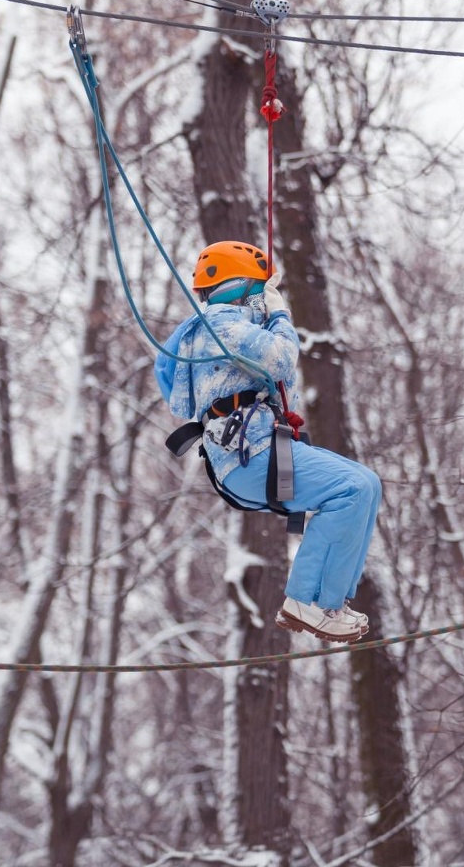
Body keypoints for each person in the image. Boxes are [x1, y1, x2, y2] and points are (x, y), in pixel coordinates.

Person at [154, 241, 382, 643]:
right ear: (240, 285)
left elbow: (281, 385)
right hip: (249, 455)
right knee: (352, 488)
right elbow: (280, 360)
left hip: (258, 451)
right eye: (261, 287)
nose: (266, 295)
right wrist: (279, 314)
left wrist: (268, 319)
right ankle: (307, 601)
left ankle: (331, 603)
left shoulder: (234, 330)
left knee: (366, 485)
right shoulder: (219, 325)